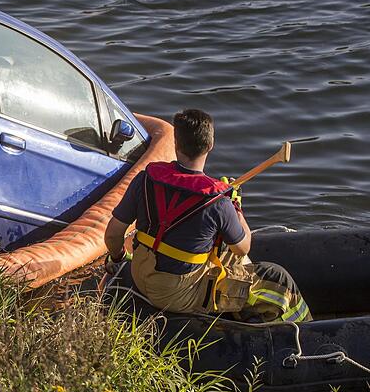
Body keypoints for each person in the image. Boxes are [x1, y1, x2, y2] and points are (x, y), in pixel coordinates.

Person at [103, 109, 310, 323]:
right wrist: (236, 208)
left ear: (176, 143)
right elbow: (243, 247)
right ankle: (307, 332)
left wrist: (119, 259)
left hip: (140, 275)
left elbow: (112, 235)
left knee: (224, 250)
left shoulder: (145, 179)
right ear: (211, 145)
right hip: (177, 295)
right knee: (279, 280)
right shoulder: (219, 202)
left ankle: (241, 312)